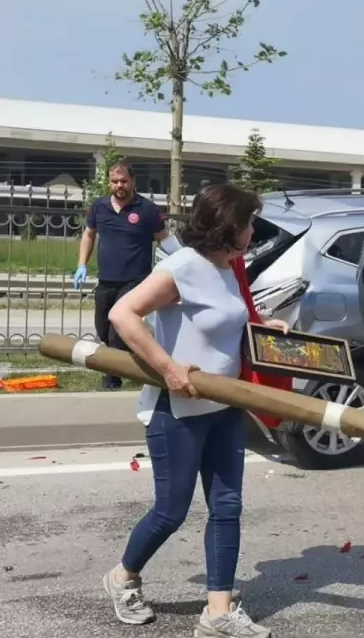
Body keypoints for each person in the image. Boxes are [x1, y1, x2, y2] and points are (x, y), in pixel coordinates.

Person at [100, 182, 288, 638]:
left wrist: (265, 330)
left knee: (227, 506)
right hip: (177, 410)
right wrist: (167, 368)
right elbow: (123, 314)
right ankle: (123, 576)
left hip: (224, 404)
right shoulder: (182, 266)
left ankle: (218, 612)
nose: (253, 230)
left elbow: (225, 324)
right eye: (248, 222)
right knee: (171, 511)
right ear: (229, 226)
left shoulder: (230, 266)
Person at [74, 161, 181, 390]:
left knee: (116, 331)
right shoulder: (98, 207)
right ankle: (139, 357)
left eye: (123, 181)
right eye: (114, 181)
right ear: (109, 182)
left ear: (133, 182)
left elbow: (165, 239)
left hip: (135, 281)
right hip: (107, 280)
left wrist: (185, 259)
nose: (119, 185)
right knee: (102, 327)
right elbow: (88, 235)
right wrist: (81, 265)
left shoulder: (147, 209)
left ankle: (111, 379)